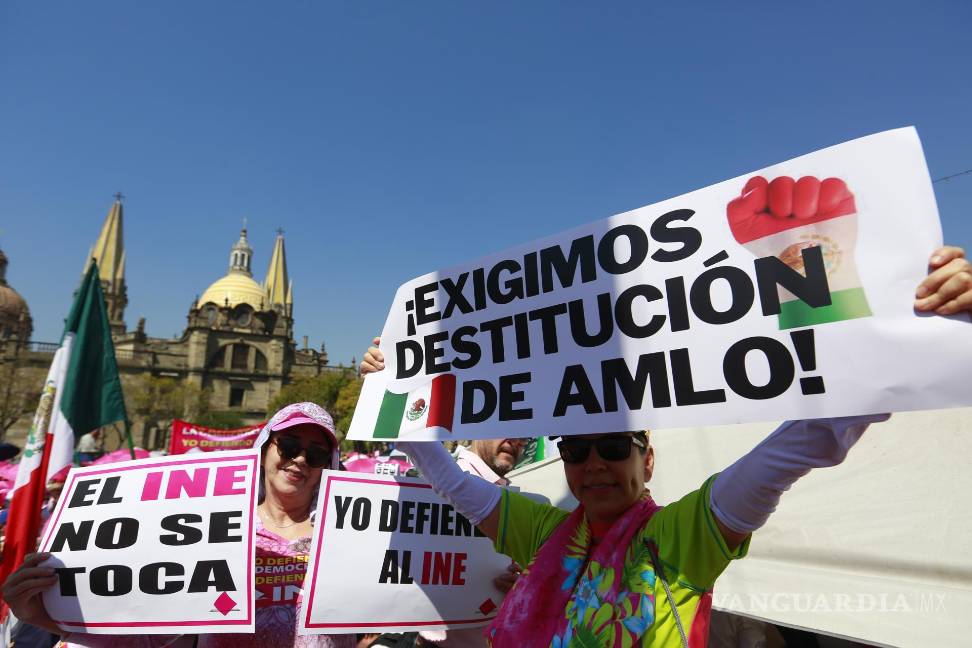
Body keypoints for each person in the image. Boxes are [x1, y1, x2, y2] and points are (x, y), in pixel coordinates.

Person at [384, 246, 971, 648]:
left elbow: (807, 440)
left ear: (648, 458)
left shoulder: (682, 539)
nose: (591, 465)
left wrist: (928, 329)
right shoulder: (541, 531)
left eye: (613, 445)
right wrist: (391, 386)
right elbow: (443, 473)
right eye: (574, 449)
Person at [2, 402, 357, 648]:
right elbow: (146, 634)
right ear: (264, 449)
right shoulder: (209, 526)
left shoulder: (346, 533)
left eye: (316, 454)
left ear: (329, 464)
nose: (299, 460)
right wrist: (37, 613)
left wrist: (385, 380)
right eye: (290, 445)